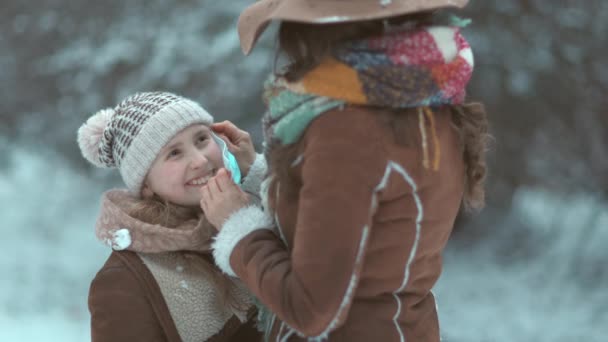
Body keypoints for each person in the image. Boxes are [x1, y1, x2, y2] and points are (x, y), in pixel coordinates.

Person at [201, 0, 490, 341]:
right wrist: (263, 175)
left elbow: (310, 309)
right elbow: (368, 225)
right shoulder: (423, 98)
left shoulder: (348, 127)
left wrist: (238, 226)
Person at [78, 91, 265, 342]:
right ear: (147, 185)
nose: (200, 160)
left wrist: (257, 175)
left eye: (201, 139)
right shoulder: (125, 279)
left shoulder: (252, 214)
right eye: (174, 153)